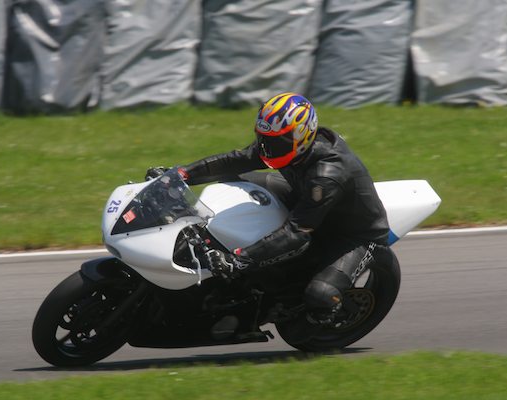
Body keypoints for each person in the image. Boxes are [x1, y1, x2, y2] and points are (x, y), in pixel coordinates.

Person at [146, 92, 393, 342]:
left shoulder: (327, 174)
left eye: (277, 142)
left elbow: (297, 233)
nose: (268, 148)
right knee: (236, 181)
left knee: (320, 296)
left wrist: (238, 259)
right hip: (305, 199)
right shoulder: (287, 146)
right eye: (264, 140)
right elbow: (236, 160)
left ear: (302, 136)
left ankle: (321, 320)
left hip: (354, 236)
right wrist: (181, 175)